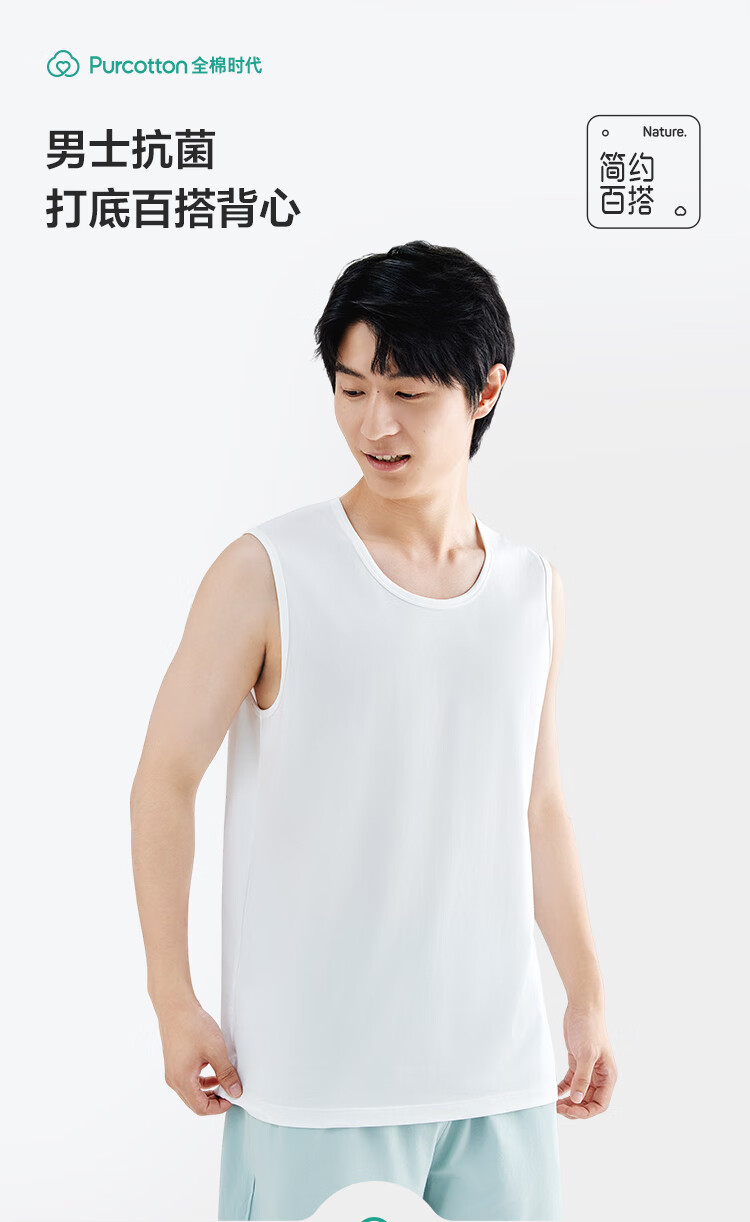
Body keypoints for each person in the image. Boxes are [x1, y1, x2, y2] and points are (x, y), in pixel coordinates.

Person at [130, 240, 617, 1221]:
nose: (374, 424)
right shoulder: (268, 571)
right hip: (320, 1082)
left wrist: (588, 997)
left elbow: (539, 806)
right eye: (351, 390)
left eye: (407, 393)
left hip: (499, 1077)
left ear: (486, 391)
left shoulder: (532, 591)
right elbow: (164, 781)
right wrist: (173, 1000)